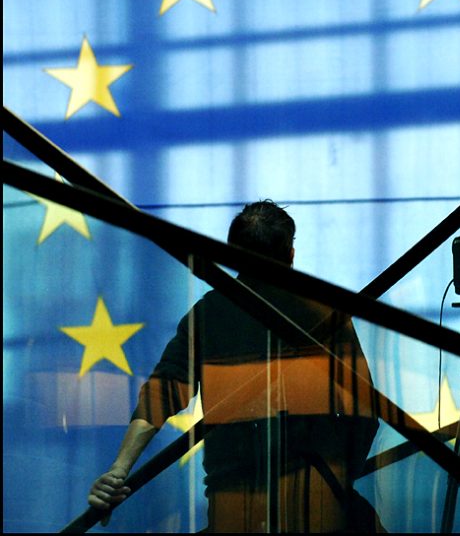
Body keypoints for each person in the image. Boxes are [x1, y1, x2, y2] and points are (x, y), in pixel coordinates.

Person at [88, 200, 382, 532]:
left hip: (233, 508)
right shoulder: (324, 311)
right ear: (290, 255)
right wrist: (336, 475)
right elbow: (365, 411)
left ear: (230, 255)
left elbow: (162, 393)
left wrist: (119, 469)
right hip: (316, 503)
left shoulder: (208, 316)